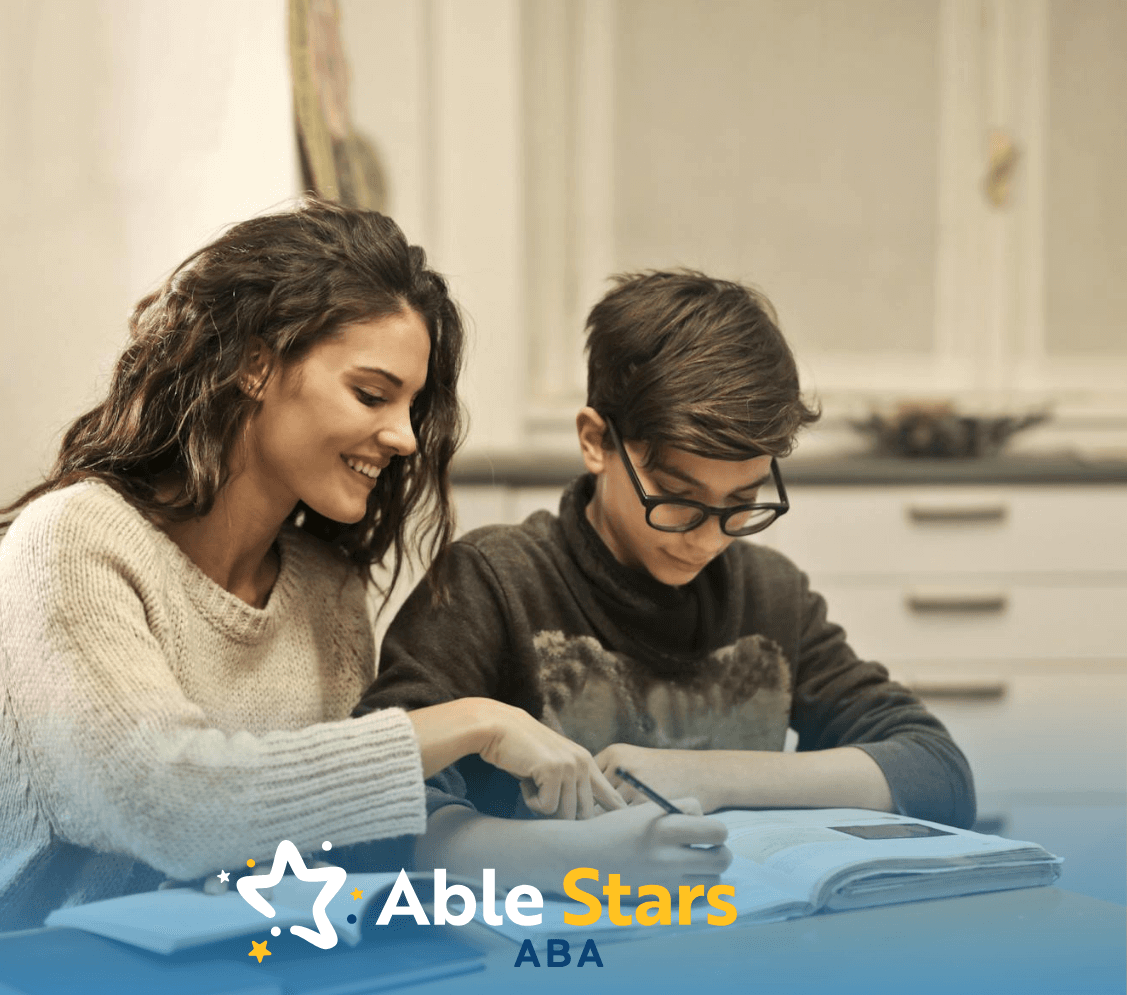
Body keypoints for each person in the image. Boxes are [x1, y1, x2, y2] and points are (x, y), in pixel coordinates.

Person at [0, 202, 646, 944]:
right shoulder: (73, 544)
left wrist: (573, 857)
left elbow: (335, 846)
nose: (401, 435)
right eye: (371, 393)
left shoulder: (326, 590)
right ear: (255, 365)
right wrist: (475, 720)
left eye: (412, 404)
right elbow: (177, 810)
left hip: (227, 987)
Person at [362, 270, 977, 838]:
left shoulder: (772, 594)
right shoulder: (493, 585)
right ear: (596, 441)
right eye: (678, 500)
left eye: (742, 500)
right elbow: (370, 803)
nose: (709, 539)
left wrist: (702, 777)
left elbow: (936, 772)